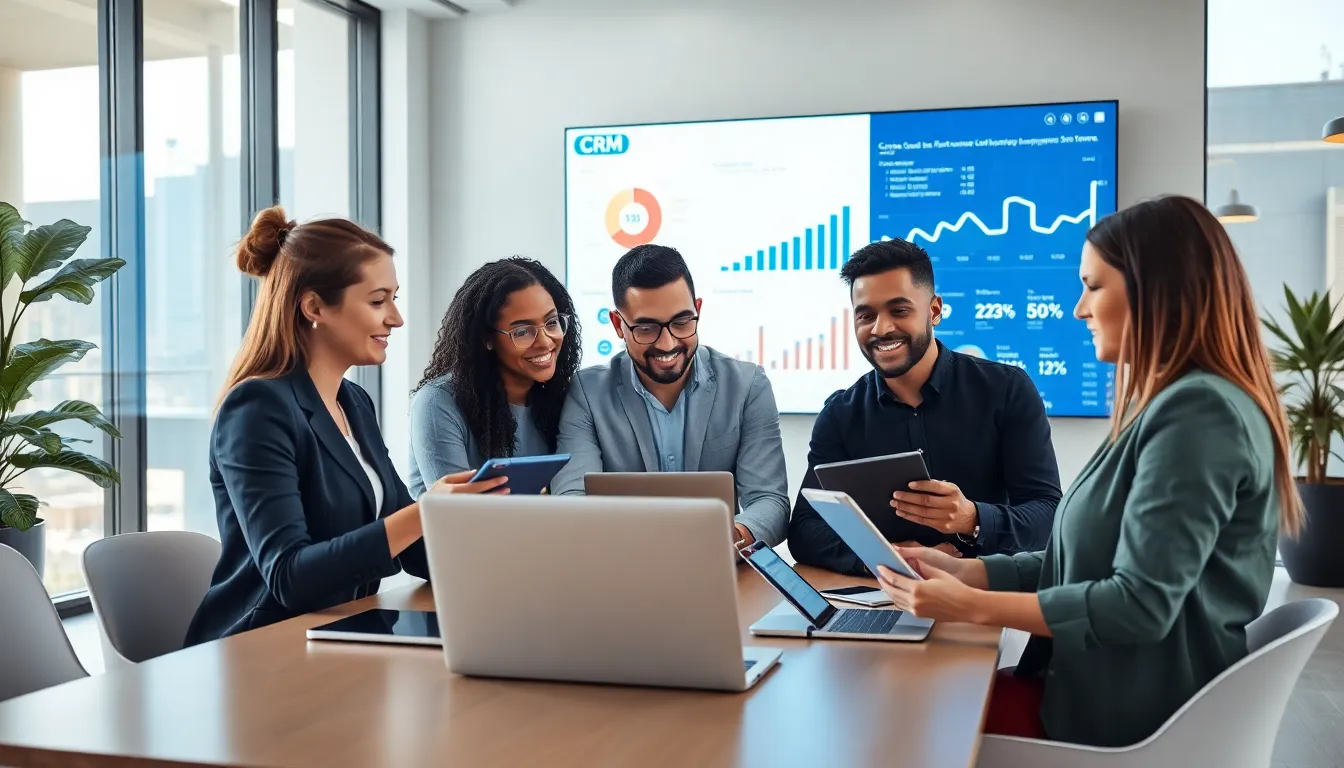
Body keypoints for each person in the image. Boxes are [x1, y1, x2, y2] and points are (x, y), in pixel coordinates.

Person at [873, 195, 1302, 747]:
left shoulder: (1199, 414)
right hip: (1104, 692)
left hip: (1128, 723)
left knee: (903, 717)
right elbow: (1085, 562)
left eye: (1093, 286)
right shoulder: (1168, 405)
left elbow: (1138, 606)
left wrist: (971, 606)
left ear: (1156, 289)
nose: (1079, 309)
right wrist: (966, 573)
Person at [185, 207, 505, 646]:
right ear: (315, 306)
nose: (396, 318)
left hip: (338, 634)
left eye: (394, 298)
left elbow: (409, 546)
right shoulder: (257, 408)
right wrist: (426, 511)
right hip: (258, 646)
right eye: (377, 301)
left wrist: (500, 541)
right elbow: (289, 577)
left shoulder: (353, 402)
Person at [788, 238, 1061, 575]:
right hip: (885, 593)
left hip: (984, 590)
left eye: (899, 311)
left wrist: (972, 519)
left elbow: (1049, 515)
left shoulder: (1006, 390)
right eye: (866, 315)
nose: (881, 329)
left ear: (934, 310)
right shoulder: (840, 415)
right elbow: (804, 529)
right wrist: (886, 556)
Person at [550, 244, 790, 549]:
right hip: (622, 561)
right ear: (618, 325)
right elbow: (571, 498)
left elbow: (770, 501)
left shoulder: (748, 386)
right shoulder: (587, 392)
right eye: (646, 328)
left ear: (698, 310)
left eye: (681, 322)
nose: (667, 343)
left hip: (716, 560)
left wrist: (730, 536)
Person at [408, 257, 581, 496]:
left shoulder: (561, 398)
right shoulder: (438, 402)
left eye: (552, 322)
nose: (545, 342)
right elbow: (454, 511)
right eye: (522, 331)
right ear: (486, 339)